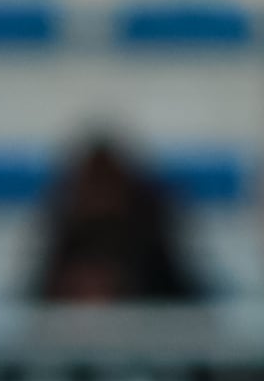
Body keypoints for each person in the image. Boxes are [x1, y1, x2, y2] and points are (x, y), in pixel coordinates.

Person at [27, 127, 200, 305]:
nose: (102, 198)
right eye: (95, 186)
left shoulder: (153, 242)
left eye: (106, 185)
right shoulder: (63, 233)